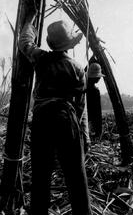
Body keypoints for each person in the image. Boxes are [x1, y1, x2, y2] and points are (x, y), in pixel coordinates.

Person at [19, 18, 92, 215]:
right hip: (65, 117)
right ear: (68, 45)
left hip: (42, 118)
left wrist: (30, 23)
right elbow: (81, 107)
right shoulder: (77, 68)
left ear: (52, 43)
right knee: (76, 174)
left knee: (41, 173)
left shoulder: (40, 58)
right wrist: (83, 134)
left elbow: (25, 43)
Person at [86, 62, 104, 140]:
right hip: (89, 122)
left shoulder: (82, 87)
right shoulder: (95, 91)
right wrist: (99, 131)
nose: (99, 78)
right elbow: (97, 113)